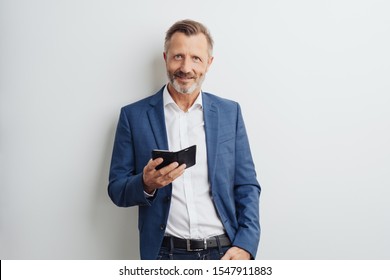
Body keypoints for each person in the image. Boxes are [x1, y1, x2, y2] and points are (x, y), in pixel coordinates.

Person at [108, 19, 261, 260]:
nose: (186, 68)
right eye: (178, 56)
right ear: (165, 57)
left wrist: (246, 245)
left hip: (224, 253)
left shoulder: (229, 113)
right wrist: (146, 184)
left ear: (209, 63)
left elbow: (247, 186)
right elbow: (117, 189)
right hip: (164, 255)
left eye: (196, 58)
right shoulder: (133, 116)